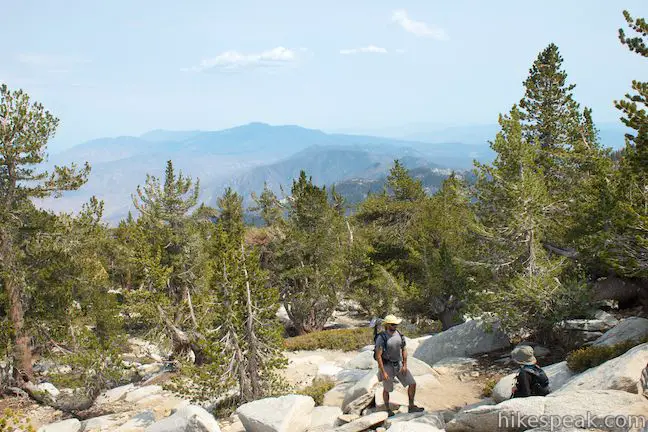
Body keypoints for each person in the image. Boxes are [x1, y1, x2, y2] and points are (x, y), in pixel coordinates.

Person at [375, 314, 424, 416]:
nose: (395, 326)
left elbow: (404, 349)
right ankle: (388, 409)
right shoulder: (382, 337)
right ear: (387, 325)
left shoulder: (400, 335)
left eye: (396, 324)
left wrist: (405, 365)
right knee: (387, 389)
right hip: (387, 366)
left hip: (399, 364)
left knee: (412, 383)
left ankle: (411, 406)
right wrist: (383, 372)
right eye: (393, 324)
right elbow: (378, 355)